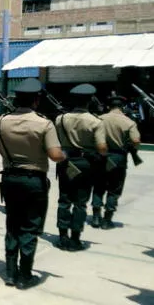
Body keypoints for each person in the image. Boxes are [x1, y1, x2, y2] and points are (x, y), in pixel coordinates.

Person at [0, 78, 66, 289]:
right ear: (36, 100)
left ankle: (10, 273)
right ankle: (25, 275)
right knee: (29, 227)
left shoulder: (1, 122)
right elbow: (54, 155)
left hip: (9, 178)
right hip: (33, 180)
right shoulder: (44, 123)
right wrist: (64, 155)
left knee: (12, 225)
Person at [55, 83, 107, 251]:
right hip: (85, 164)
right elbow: (101, 148)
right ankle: (75, 238)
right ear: (89, 100)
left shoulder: (60, 119)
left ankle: (62, 237)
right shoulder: (96, 122)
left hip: (65, 162)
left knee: (64, 200)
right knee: (80, 202)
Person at [91, 95, 141, 230]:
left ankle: (96, 217)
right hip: (118, 157)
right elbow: (136, 141)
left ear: (109, 106)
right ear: (122, 106)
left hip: (101, 156)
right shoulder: (129, 121)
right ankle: (107, 220)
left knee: (99, 186)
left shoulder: (99, 119)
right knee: (114, 189)